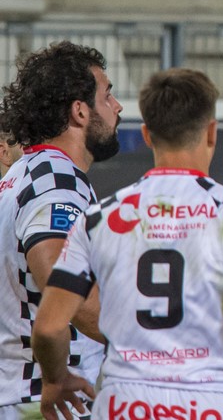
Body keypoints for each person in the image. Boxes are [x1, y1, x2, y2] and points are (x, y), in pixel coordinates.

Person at [33, 67, 223, 420]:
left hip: (124, 405)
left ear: (148, 135)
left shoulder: (98, 217)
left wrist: (55, 379)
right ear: (211, 132)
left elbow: (48, 326)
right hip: (214, 403)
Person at [0, 42, 118, 417]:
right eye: (108, 95)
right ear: (80, 111)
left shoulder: (20, 176)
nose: (117, 107)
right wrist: (144, 340)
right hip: (46, 401)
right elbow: (59, 277)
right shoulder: (59, 180)